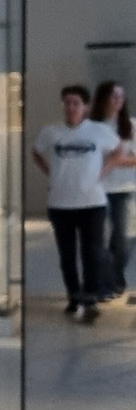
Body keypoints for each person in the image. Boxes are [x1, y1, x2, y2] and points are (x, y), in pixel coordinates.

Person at [33, 84, 121, 321]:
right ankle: (73, 296)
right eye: (67, 103)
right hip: (60, 204)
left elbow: (117, 149)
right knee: (67, 255)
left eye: (76, 103)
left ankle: (90, 297)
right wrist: (50, 172)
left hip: (92, 203)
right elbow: (36, 152)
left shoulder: (98, 131)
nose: (71, 107)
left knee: (92, 252)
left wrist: (106, 168)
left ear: (85, 106)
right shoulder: (51, 132)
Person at [89, 80, 136, 300]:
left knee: (124, 239)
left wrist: (114, 161)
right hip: (97, 189)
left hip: (125, 189)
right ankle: (104, 283)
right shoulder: (91, 127)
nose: (118, 100)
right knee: (98, 239)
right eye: (113, 96)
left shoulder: (130, 126)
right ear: (103, 99)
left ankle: (115, 276)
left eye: (121, 96)